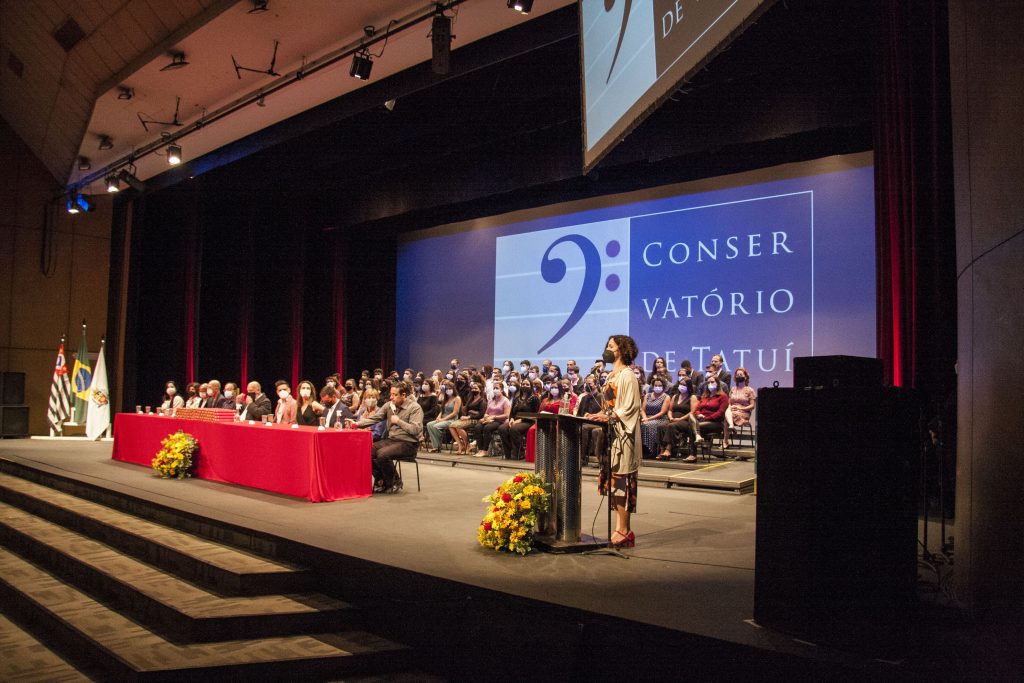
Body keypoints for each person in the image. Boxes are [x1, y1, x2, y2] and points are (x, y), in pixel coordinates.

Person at [589, 335, 642, 548]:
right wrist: (599, 414)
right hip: (611, 434)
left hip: (623, 437)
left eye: (611, 346)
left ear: (622, 350)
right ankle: (619, 527)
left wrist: (610, 416)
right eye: (607, 346)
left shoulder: (627, 375)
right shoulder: (612, 374)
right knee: (613, 482)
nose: (608, 349)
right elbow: (611, 405)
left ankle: (625, 529)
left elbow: (629, 406)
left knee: (622, 483)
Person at [351, 381, 423, 493]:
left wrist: (399, 421)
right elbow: (375, 418)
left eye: (394, 395)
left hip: (409, 443)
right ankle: (381, 480)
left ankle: (395, 481)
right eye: (391, 394)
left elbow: (415, 430)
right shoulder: (389, 405)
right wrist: (357, 424)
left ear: (403, 395)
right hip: (392, 440)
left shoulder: (414, 408)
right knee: (365, 451)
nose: (391, 397)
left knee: (382, 454)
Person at [497, 377, 539, 459]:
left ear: (531, 386)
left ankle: (519, 452)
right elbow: (512, 412)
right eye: (523, 384)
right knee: (502, 428)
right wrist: (512, 419)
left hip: (528, 421)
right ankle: (508, 452)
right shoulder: (517, 398)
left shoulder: (534, 398)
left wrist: (521, 420)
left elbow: (535, 414)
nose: (525, 386)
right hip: (515, 420)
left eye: (527, 384)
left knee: (514, 429)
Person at [657, 378, 697, 461]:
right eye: (680, 384)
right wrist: (671, 417)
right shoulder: (675, 396)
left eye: (684, 385)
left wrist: (680, 419)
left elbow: (692, 412)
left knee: (671, 426)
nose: (681, 386)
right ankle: (662, 449)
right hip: (673, 418)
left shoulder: (692, 397)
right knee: (661, 426)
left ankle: (668, 449)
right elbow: (670, 410)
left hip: (685, 421)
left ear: (688, 386)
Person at [688, 379, 729, 457]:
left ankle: (693, 454)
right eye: (708, 382)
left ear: (718, 384)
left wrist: (706, 418)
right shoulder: (705, 396)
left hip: (716, 423)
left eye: (712, 382)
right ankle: (697, 436)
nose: (710, 384)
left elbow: (720, 413)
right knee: (691, 416)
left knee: (691, 426)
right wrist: (699, 415)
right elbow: (697, 409)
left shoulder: (723, 397)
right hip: (701, 420)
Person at [474, 379, 511, 457]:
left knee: (487, 428)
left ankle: (485, 450)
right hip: (489, 419)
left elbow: (506, 415)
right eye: (494, 388)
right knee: (477, 427)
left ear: (501, 389)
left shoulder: (505, 400)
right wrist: (486, 417)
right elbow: (486, 413)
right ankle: (480, 449)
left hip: (500, 421)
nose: (495, 390)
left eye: (497, 388)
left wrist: (493, 417)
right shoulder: (491, 400)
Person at [449, 380, 485, 454]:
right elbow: (467, 410)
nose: (473, 390)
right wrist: (468, 414)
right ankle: (461, 445)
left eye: (476, 388)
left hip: (476, 420)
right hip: (467, 417)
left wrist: (469, 416)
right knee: (451, 426)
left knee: (458, 426)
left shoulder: (482, 401)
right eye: (472, 388)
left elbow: (481, 414)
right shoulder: (471, 399)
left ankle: (468, 445)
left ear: (480, 390)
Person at [639, 376, 671, 458]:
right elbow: (642, 409)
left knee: (647, 425)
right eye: (656, 385)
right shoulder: (648, 395)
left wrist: (648, 419)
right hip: (646, 417)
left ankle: (650, 450)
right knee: (639, 425)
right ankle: (640, 450)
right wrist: (644, 417)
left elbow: (662, 412)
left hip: (660, 418)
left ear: (663, 387)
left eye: (660, 386)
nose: (657, 387)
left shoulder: (666, 397)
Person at [426, 379, 460, 452]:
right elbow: (442, 410)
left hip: (452, 419)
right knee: (429, 424)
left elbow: (455, 413)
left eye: (450, 389)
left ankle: (438, 446)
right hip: (443, 418)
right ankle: (436, 446)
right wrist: (438, 417)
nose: (448, 390)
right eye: (447, 389)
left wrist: (443, 419)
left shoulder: (457, 398)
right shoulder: (446, 398)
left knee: (435, 426)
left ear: (453, 389)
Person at [727, 367, 756, 448]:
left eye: (741, 374)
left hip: (744, 412)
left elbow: (752, 406)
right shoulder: (733, 389)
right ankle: (731, 427)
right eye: (737, 374)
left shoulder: (750, 390)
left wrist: (740, 408)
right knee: (727, 413)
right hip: (732, 411)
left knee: (727, 417)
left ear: (745, 377)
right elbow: (729, 403)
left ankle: (725, 441)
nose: (739, 376)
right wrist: (730, 408)